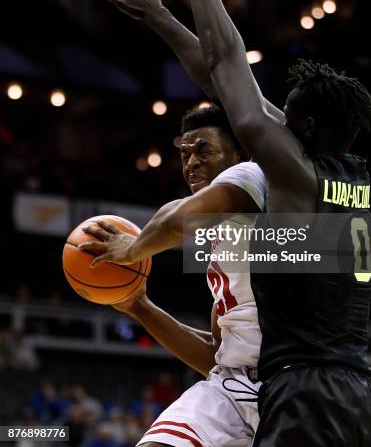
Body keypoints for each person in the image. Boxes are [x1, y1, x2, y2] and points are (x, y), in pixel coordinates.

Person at [173, 0, 371, 446]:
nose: (275, 123)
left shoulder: (294, 172)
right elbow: (221, 78)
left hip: (305, 392)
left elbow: (226, 58)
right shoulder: (349, 174)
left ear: (305, 129)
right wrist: (158, 19)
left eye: (285, 117)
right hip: (360, 394)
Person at [81, 105, 266, 446]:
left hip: (287, 388)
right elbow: (215, 355)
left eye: (204, 150)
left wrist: (134, 247)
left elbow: (173, 217)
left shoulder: (258, 185)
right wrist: (139, 307)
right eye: (185, 154)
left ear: (240, 154)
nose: (191, 163)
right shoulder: (222, 236)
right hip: (230, 388)